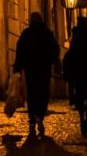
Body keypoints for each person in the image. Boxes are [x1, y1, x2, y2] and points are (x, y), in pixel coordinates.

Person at [13, 12, 59, 141]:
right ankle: (40, 117)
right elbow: (55, 50)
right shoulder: (48, 33)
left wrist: (17, 68)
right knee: (43, 94)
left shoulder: (26, 33)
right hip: (44, 69)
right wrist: (54, 62)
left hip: (31, 69)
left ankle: (32, 119)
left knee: (32, 94)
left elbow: (20, 51)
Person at [63, 16, 87, 135]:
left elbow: (70, 55)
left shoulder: (75, 37)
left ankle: (82, 119)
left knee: (79, 96)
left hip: (78, 72)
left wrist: (68, 71)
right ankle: (86, 120)